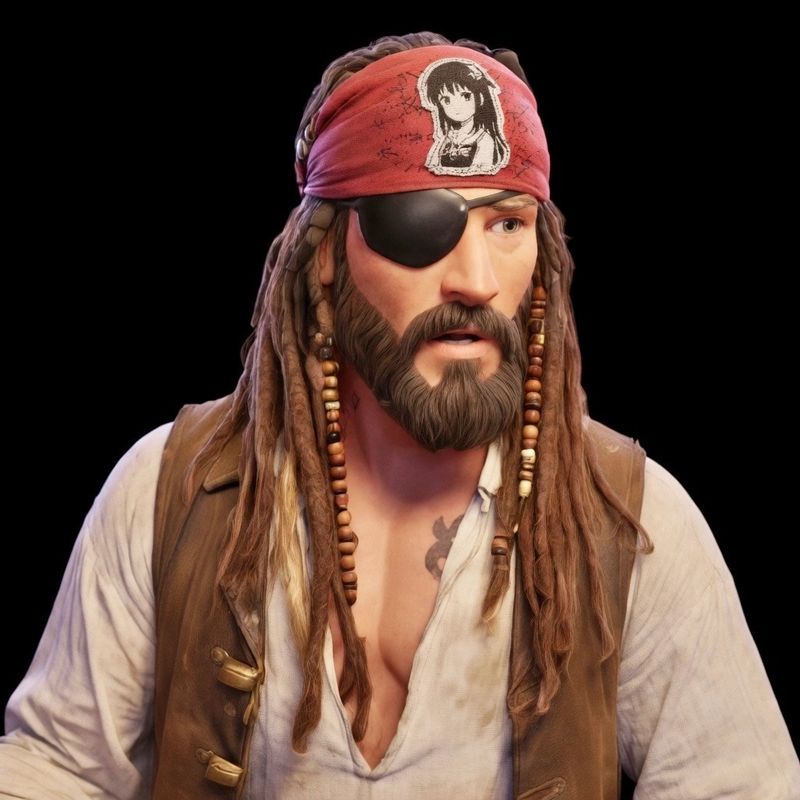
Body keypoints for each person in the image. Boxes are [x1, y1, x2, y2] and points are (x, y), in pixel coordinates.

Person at [1, 31, 798, 800]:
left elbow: (736, 784)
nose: (476, 280)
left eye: (507, 224)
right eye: (422, 224)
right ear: (324, 254)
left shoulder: (630, 521)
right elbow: (56, 772)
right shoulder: (171, 492)